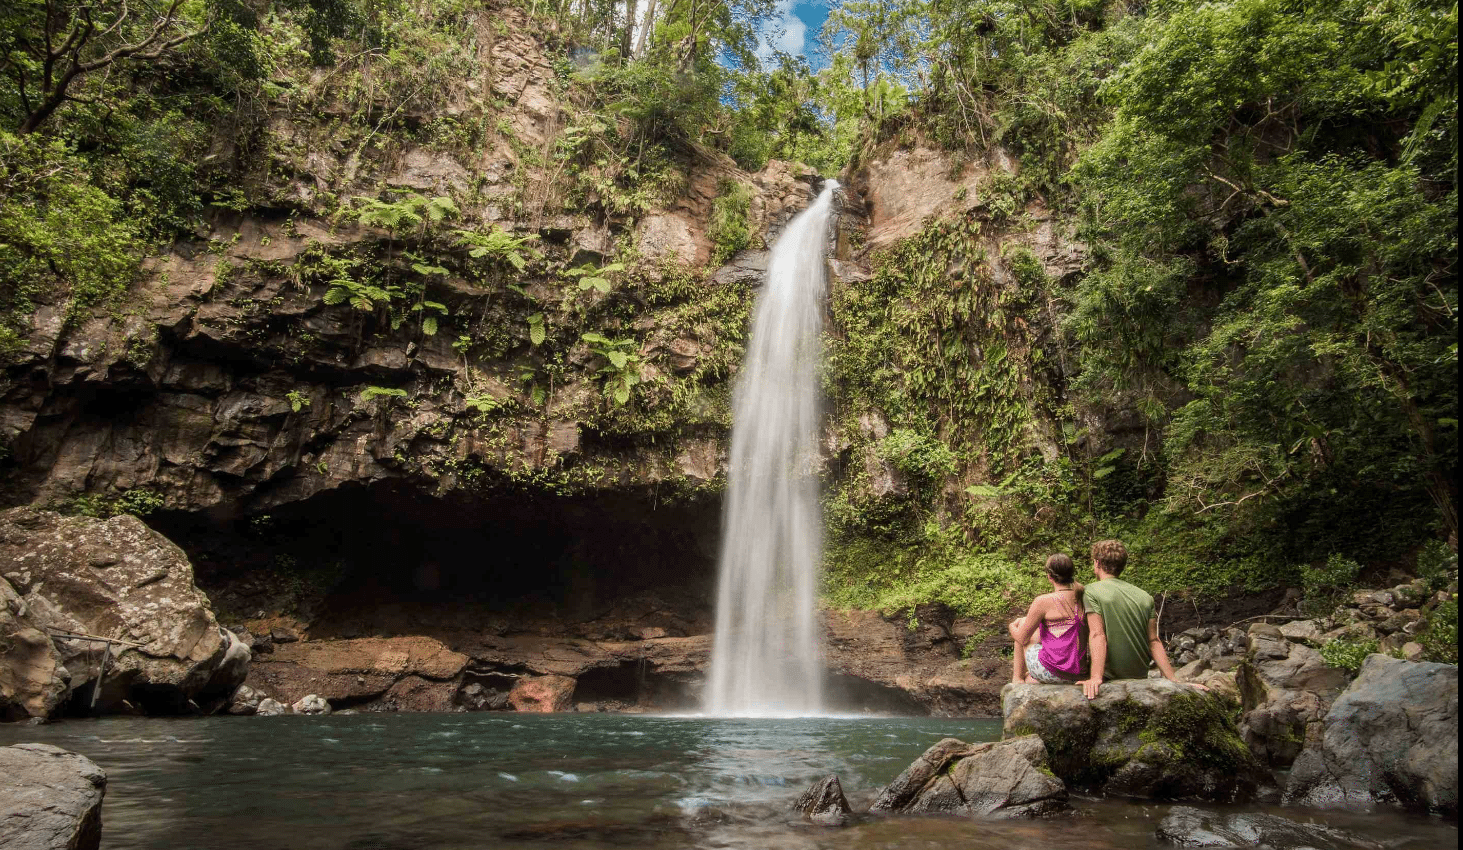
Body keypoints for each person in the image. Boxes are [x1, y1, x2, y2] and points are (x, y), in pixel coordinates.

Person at [1079, 539, 1206, 699]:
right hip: (1139, 677)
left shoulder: (1091, 591)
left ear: (1097, 563)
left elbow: (1097, 634)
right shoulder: (1144, 596)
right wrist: (1173, 680)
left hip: (1109, 678)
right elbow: (1153, 641)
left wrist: (1096, 677)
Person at [1009, 553, 1088, 684]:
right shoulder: (1083, 595)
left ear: (1049, 576)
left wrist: (1012, 626)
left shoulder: (1043, 601)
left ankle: (1017, 679)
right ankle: (1031, 678)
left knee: (1022, 625)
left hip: (1053, 672)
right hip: (1079, 673)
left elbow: (1022, 638)